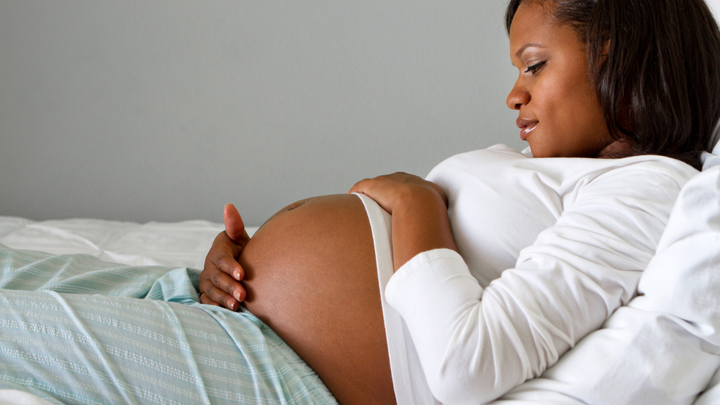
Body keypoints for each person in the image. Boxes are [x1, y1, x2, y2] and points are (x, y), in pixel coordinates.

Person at [198, 0, 720, 404]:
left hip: (293, 371)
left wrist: (414, 200)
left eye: (534, 65)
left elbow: (467, 365)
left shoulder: (646, 186)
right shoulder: (560, 168)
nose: (514, 96)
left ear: (624, 61)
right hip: (241, 319)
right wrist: (232, 262)